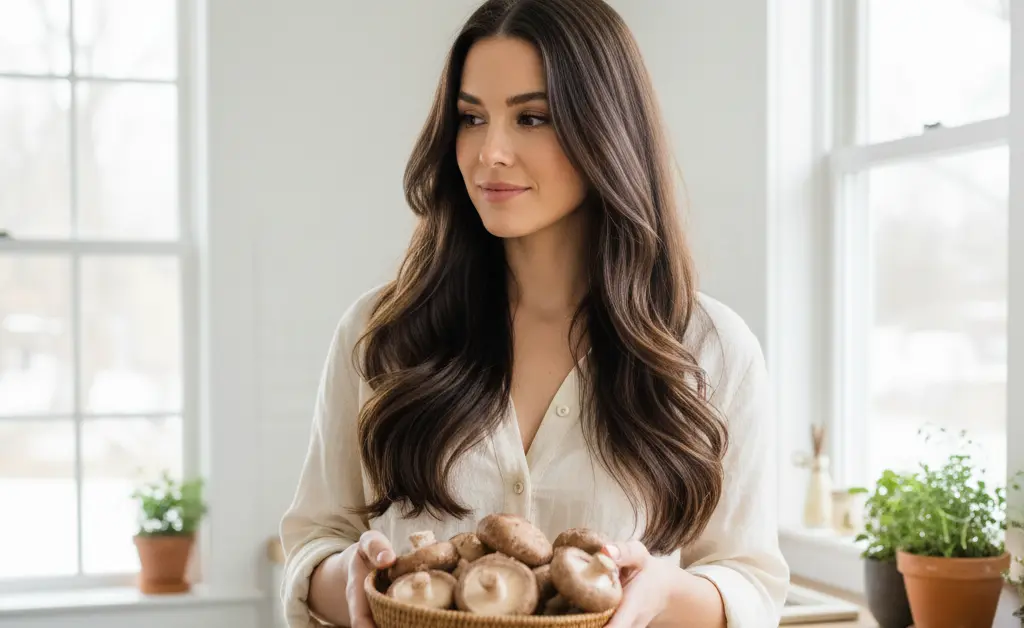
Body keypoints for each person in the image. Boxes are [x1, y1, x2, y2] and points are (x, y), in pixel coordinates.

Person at [279, 0, 790, 626]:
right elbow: (315, 541)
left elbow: (750, 583)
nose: (490, 151)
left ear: (605, 129)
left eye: (532, 117)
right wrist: (353, 578)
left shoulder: (712, 350)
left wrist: (660, 592)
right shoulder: (381, 334)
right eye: (471, 118)